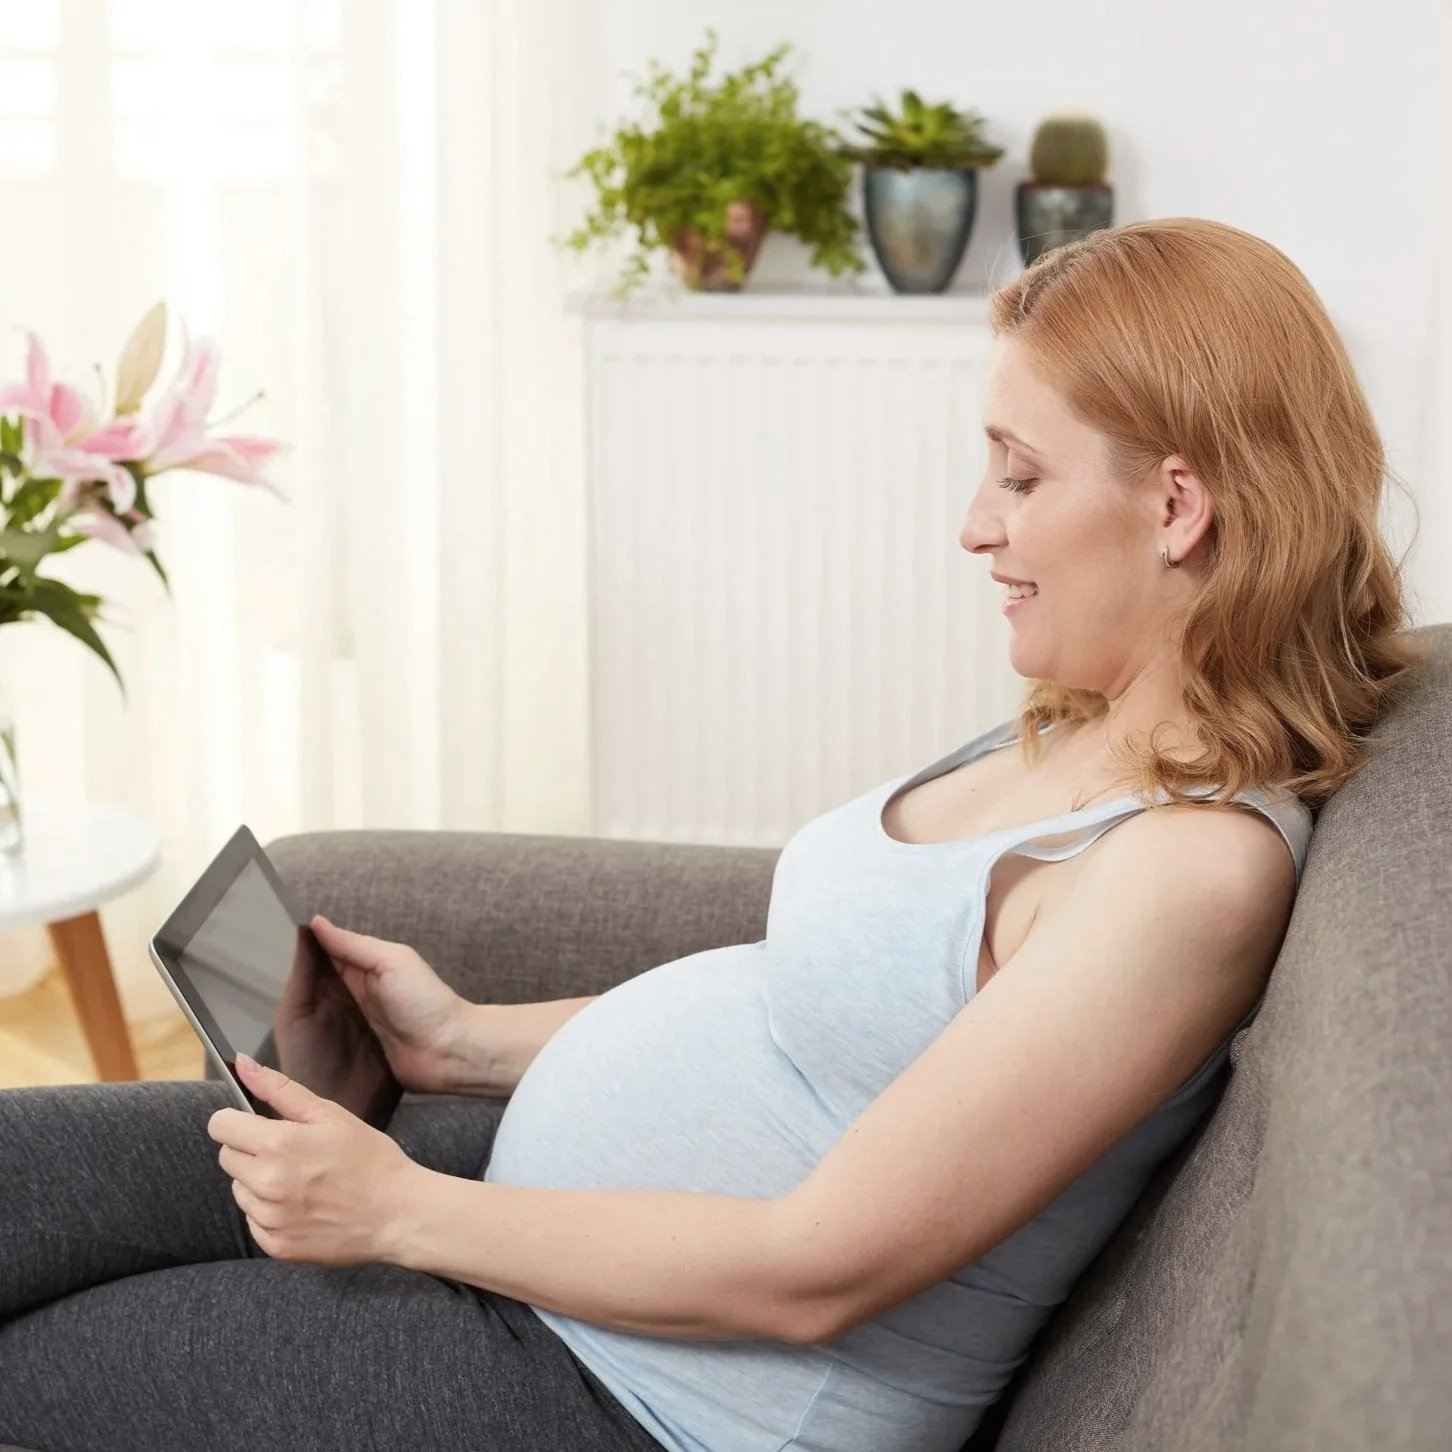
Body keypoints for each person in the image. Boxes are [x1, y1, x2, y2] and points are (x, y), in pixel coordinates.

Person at [0, 217, 1428, 1452]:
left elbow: (818, 1269)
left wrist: (398, 1211)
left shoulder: (1187, 871)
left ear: (1176, 505)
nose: (972, 525)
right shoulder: (1079, 721)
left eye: (1019, 475)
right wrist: (467, 1042)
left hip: (626, 1395)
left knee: (35, 1379)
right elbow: (802, 1017)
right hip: (533, 1252)